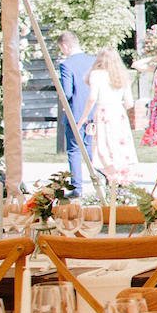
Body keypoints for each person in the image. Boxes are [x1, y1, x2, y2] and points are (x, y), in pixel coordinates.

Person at [85, 47, 139, 186]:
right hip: (118, 113)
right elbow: (129, 103)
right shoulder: (122, 75)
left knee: (104, 148)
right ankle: (121, 181)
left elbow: (92, 98)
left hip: (103, 112)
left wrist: (83, 118)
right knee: (119, 147)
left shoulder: (96, 74)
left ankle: (110, 178)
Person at [54, 31, 96, 194]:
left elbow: (67, 93)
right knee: (91, 149)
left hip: (75, 113)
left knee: (74, 150)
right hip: (93, 112)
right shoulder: (93, 61)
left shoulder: (67, 65)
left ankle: (77, 187)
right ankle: (101, 180)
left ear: (65, 46)